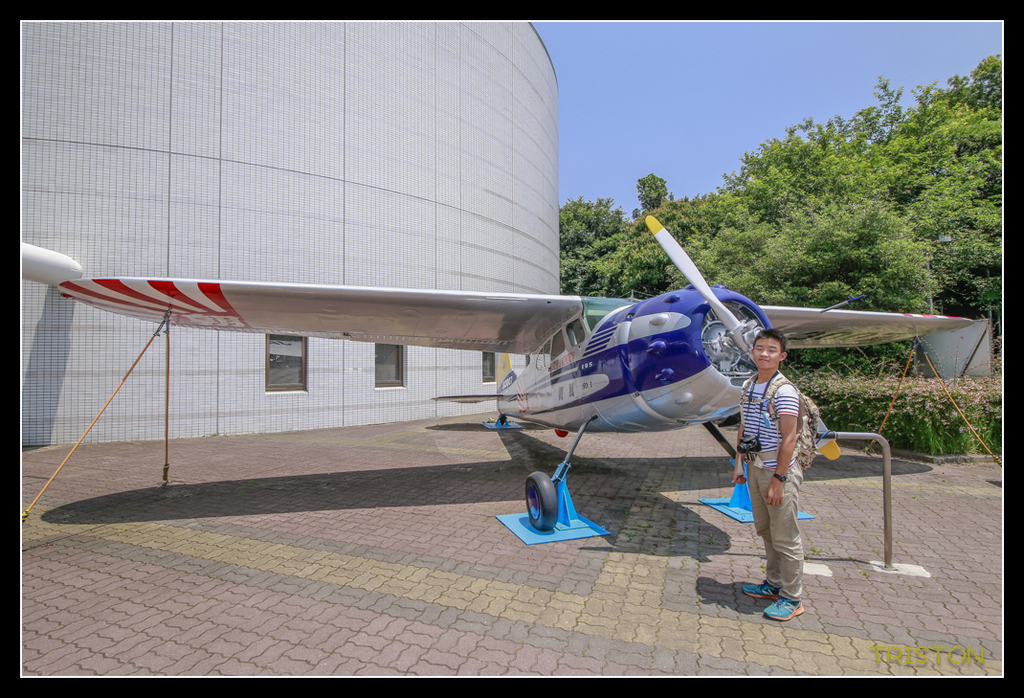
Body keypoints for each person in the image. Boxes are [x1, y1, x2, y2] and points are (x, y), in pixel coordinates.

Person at [732, 328, 805, 621]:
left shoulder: (784, 390)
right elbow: (743, 427)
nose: (764, 353)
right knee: (766, 531)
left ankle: (792, 597)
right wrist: (739, 463)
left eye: (771, 350)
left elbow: (790, 438)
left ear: (782, 356)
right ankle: (774, 584)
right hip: (754, 466)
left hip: (777, 471)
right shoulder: (749, 385)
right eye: (759, 348)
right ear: (752, 353)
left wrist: (779, 479)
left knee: (785, 536)